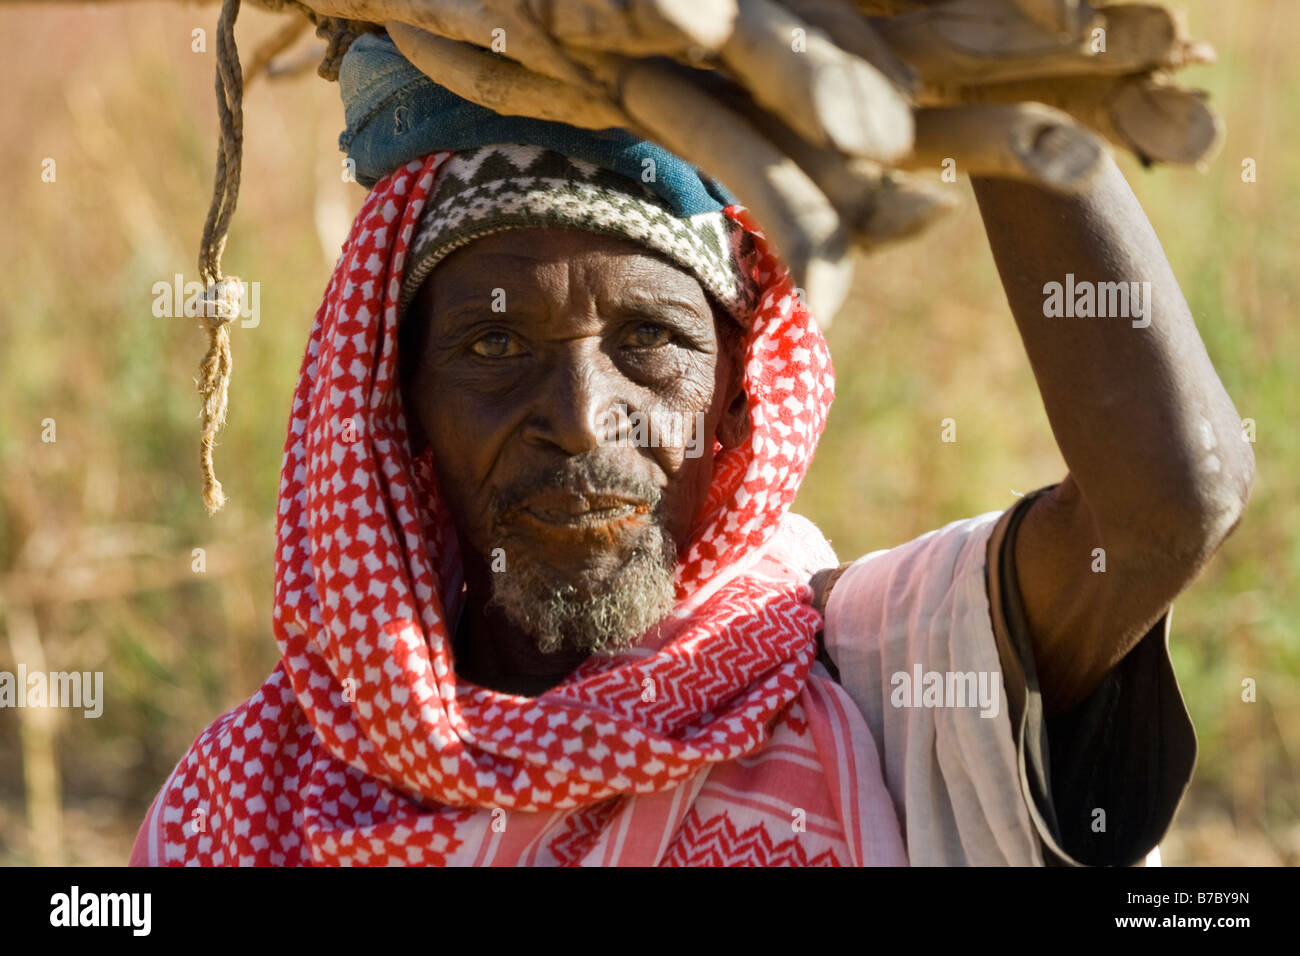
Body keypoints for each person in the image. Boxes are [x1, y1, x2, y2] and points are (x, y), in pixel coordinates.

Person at [130, 34, 1251, 867]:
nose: (581, 412)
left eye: (650, 340)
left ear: (734, 399)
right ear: (401, 409)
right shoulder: (255, 796)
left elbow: (1163, 507)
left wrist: (1001, 79)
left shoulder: (875, 675)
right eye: (494, 341)